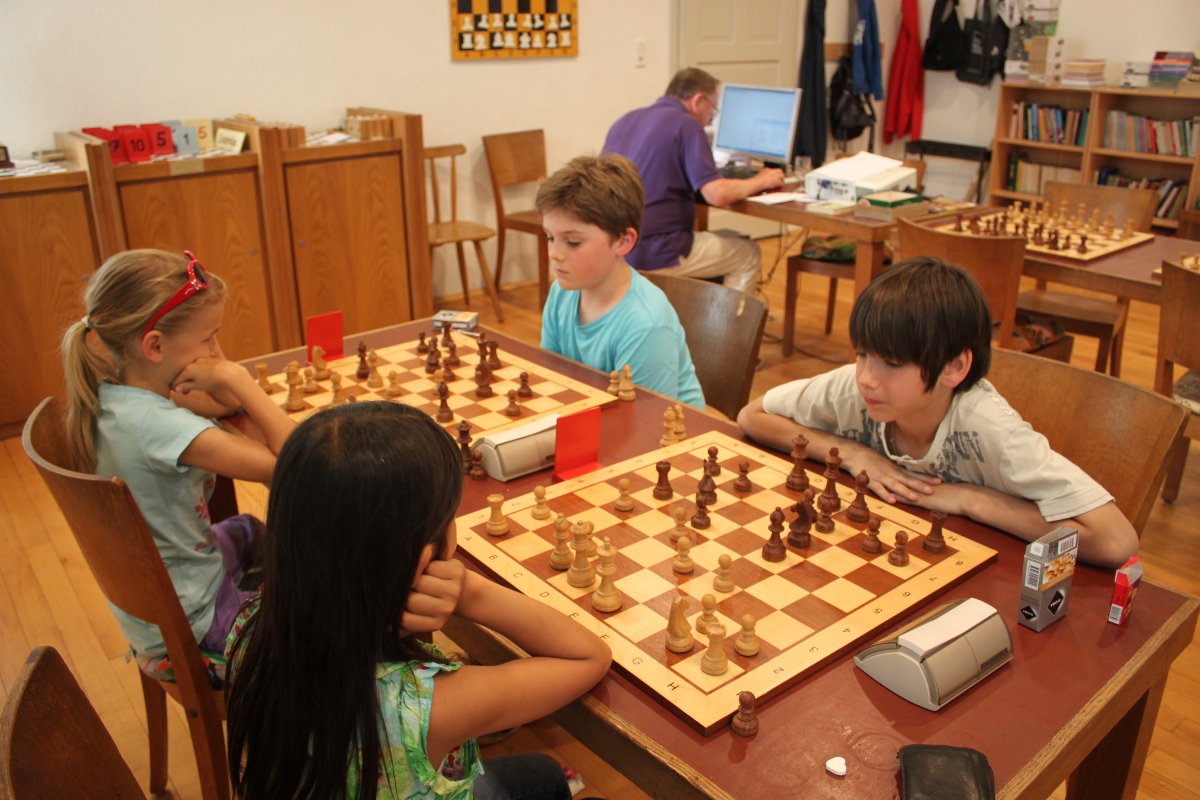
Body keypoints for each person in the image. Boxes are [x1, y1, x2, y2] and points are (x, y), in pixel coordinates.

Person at [225, 402, 611, 800]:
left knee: (541, 774)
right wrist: (470, 592)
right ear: (422, 561)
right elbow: (588, 657)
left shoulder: (252, 625)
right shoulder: (428, 706)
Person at [737, 257, 1138, 568]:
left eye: (892, 363)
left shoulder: (993, 431)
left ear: (954, 368)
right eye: (861, 354)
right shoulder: (853, 389)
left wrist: (970, 500)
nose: (867, 378)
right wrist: (853, 454)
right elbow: (753, 416)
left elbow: (1116, 541)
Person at [61, 249, 296, 682]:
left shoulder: (120, 395)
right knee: (331, 605)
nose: (216, 352)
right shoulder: (159, 426)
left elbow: (221, 406)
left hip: (162, 597)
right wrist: (236, 377)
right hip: (193, 623)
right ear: (154, 346)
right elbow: (292, 463)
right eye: (209, 338)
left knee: (251, 530)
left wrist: (218, 375)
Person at [538, 153, 706, 408]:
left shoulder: (645, 324)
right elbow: (550, 380)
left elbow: (646, 421)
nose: (554, 253)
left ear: (623, 241)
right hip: (594, 417)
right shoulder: (561, 292)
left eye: (572, 242)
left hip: (660, 427)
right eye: (550, 237)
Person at [602, 67, 784, 294]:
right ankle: (729, 318)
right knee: (748, 254)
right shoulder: (687, 124)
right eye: (713, 109)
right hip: (655, 250)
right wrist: (761, 180)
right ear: (698, 100)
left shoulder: (625, 120)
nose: (711, 118)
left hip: (615, 245)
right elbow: (717, 194)